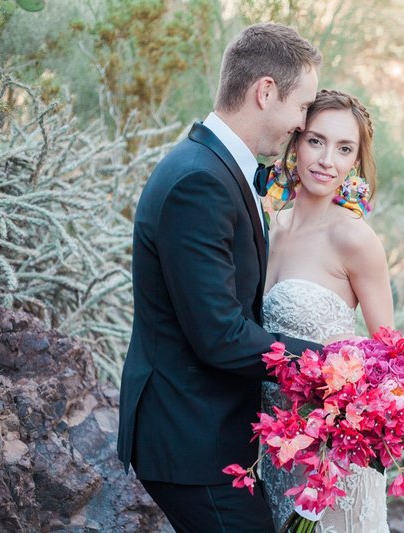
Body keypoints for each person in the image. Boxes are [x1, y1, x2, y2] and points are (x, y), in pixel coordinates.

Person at [117, 23, 325, 532]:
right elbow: (220, 335)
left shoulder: (214, 167)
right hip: (191, 442)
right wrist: (330, 364)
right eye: (302, 107)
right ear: (266, 92)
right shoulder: (199, 182)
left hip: (209, 432)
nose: (301, 124)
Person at [258, 89, 394, 532]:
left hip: (333, 458)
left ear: (355, 161)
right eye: (316, 141)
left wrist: (341, 436)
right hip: (274, 446)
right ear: (296, 142)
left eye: (344, 148)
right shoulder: (270, 226)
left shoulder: (354, 239)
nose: (327, 160)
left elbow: (389, 358)